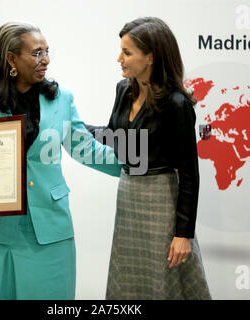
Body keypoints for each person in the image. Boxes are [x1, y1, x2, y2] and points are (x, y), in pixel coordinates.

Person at [0, 22, 121, 300]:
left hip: (49, 234)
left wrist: (141, 164)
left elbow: (86, 149)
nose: (46, 60)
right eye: (37, 53)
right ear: (11, 59)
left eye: (47, 51)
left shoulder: (61, 99)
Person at [86, 17, 211, 299]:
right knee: (128, 279)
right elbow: (114, 135)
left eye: (127, 52)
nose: (119, 58)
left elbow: (189, 173)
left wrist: (183, 234)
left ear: (151, 57)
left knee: (163, 283)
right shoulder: (123, 89)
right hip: (128, 195)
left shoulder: (177, 103)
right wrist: (75, 127)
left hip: (161, 202)